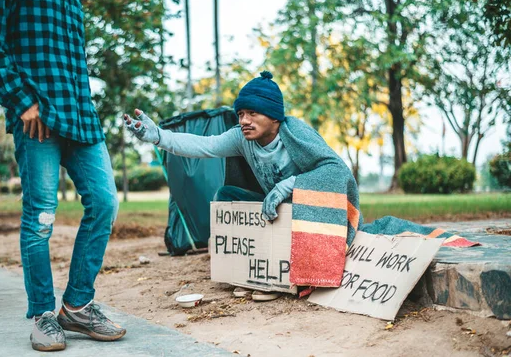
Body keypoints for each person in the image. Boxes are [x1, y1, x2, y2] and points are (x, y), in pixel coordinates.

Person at [124, 71, 476, 295]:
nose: (244, 120)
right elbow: (201, 147)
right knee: (225, 195)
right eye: (241, 114)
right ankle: (256, 273)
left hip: (307, 206)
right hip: (273, 210)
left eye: (252, 113)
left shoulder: (296, 133)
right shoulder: (240, 137)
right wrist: (157, 136)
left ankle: (303, 276)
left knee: (310, 195)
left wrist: (287, 185)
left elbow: (336, 171)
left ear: (273, 116)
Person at [0, 0, 126, 351]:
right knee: (41, 216)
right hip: (38, 118)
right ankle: (43, 314)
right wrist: (21, 100)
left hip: (81, 118)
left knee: (105, 203)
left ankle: (77, 306)